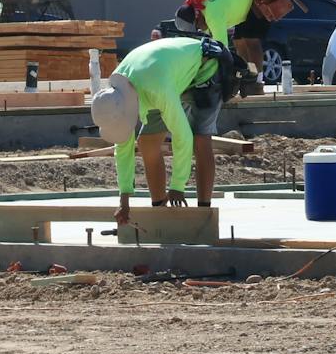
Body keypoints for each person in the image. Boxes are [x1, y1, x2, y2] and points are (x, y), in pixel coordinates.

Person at [87, 36, 232, 225]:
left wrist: (177, 186)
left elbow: (183, 136)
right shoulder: (117, 94)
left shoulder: (157, 90)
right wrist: (124, 200)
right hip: (164, 76)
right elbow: (123, 149)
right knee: (147, 142)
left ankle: (203, 216)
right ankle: (160, 211)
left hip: (207, 68)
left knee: (199, 139)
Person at [178, 0, 293, 88]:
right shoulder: (203, 7)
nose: (199, 29)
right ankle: (246, 78)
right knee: (239, 42)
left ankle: (257, 82)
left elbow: (221, 49)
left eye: (197, 26)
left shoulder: (212, 13)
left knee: (250, 41)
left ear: (197, 17)